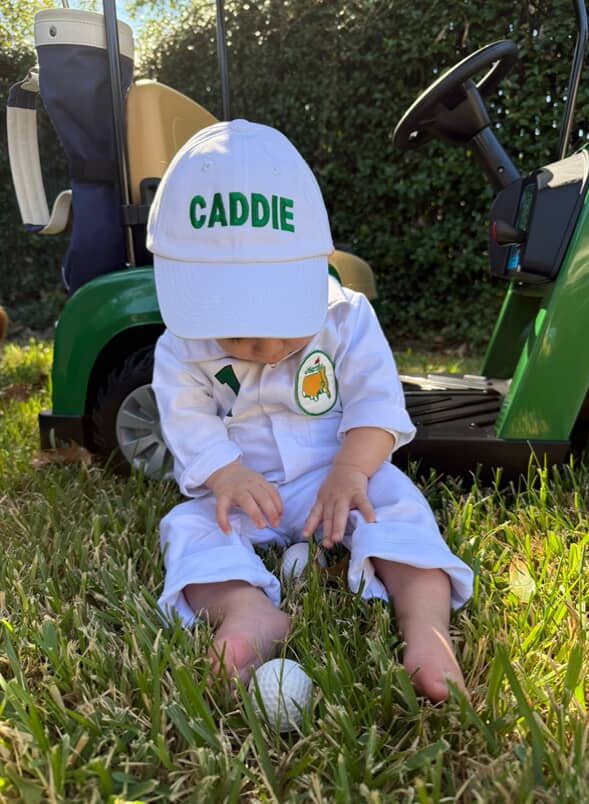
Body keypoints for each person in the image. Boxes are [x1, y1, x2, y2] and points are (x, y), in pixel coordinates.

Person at [148, 119, 474, 702]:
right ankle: (246, 611)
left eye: (285, 328)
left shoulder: (345, 316)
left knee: (397, 507)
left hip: (335, 476)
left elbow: (377, 403)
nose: (270, 353)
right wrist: (225, 473)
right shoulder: (181, 343)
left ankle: (426, 629)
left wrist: (351, 471)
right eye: (243, 339)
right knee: (189, 528)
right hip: (241, 490)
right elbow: (187, 418)